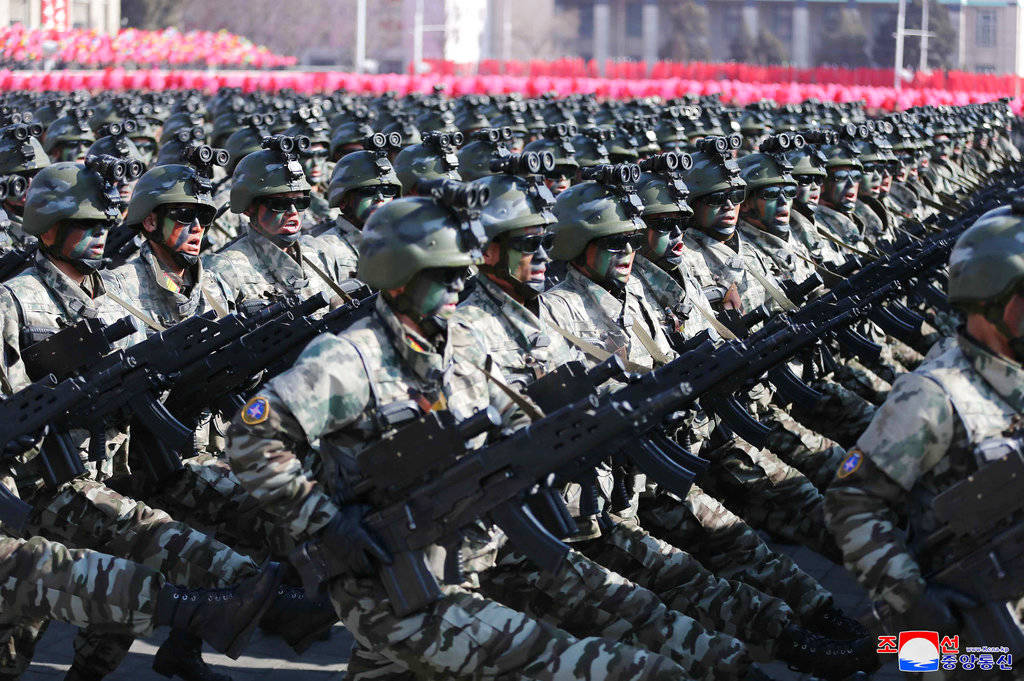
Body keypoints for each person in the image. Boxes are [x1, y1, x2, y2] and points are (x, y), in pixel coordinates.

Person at [226, 190, 688, 681]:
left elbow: (516, 422)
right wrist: (324, 520)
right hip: (388, 583)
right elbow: (250, 437)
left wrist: (587, 428)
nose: (459, 284)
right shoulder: (349, 357)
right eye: (443, 275)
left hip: (460, 562)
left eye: (461, 271)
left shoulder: (462, 341)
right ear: (399, 277)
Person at [0, 161, 283, 681]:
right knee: (19, 633)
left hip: (110, 472)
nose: (99, 236)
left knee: (130, 567)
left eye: (104, 225)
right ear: (48, 228)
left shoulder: (113, 297)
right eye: (85, 225)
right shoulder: (15, 299)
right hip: (42, 486)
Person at [825, 198, 1024, 658]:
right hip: (981, 628)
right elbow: (852, 501)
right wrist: (911, 597)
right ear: (990, 299)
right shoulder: (935, 395)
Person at [204, 136, 350, 315]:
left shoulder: (319, 255)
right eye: (279, 204)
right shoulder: (225, 269)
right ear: (249, 208)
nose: (292, 211)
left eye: (301, 202)